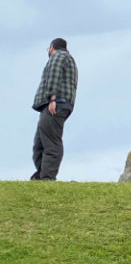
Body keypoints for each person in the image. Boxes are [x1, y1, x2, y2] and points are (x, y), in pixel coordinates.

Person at [31, 38, 78, 181]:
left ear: (51, 48)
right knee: (39, 144)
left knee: (51, 143)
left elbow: (53, 76)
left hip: (55, 104)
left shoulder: (58, 56)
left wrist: (52, 99)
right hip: (58, 104)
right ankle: (41, 175)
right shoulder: (69, 59)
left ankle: (47, 178)